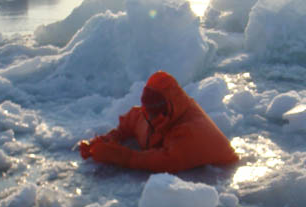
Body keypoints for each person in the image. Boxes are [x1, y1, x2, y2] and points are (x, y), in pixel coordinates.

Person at [79, 71, 239, 173]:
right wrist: (109, 139)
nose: (151, 118)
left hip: (221, 178)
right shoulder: (149, 115)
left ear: (168, 108)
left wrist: (120, 156)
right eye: (148, 112)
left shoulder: (192, 131)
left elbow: (167, 161)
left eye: (155, 113)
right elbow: (132, 120)